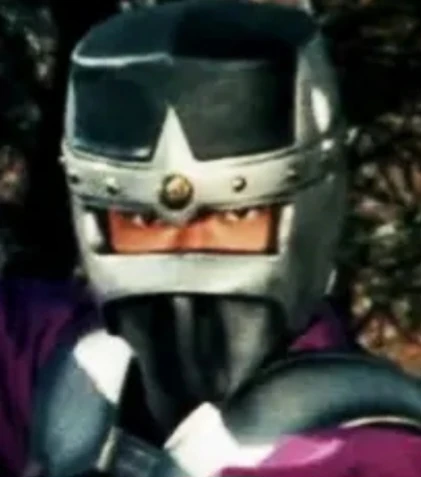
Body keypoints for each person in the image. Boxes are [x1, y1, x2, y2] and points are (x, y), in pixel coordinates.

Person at [26, 1, 421, 476]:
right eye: (143, 221)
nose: (184, 254)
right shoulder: (58, 368)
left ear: (307, 214)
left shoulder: (377, 455)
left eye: (234, 215)